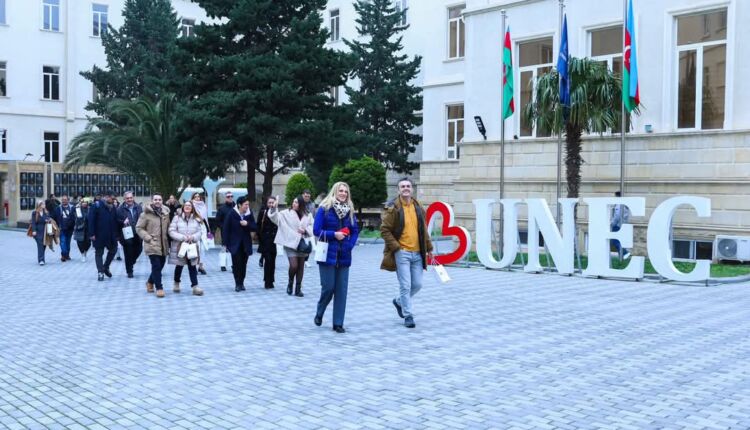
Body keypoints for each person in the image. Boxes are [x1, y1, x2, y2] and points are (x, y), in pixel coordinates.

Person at [380, 177, 433, 329]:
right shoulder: (393, 207)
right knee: (405, 285)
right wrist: (396, 247)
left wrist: (429, 249)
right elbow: (384, 229)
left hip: (417, 253)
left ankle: (398, 301)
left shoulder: (418, 207)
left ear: (412, 189)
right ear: (398, 190)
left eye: (408, 186)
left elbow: (423, 230)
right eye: (402, 186)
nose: (405, 188)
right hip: (401, 252)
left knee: (417, 284)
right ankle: (408, 315)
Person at [313, 182, 359, 333]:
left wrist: (349, 245)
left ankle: (338, 323)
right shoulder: (324, 209)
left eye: (346, 191)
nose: (343, 193)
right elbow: (316, 230)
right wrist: (334, 235)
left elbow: (355, 231)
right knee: (328, 287)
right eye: (341, 190)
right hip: (327, 254)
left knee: (341, 290)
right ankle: (320, 311)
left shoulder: (350, 210)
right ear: (335, 191)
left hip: (344, 255)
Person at [269, 195, 313, 297]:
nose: (294, 204)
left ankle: (298, 289)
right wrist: (274, 207)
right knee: (294, 266)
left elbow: (311, 226)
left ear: (301, 204)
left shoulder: (307, 214)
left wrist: (305, 230)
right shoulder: (286, 213)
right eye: (293, 201)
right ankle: (290, 283)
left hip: (302, 244)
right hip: (290, 243)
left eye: (296, 202)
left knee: (301, 266)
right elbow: (275, 218)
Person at [136, 193, 171, 298]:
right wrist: (148, 238)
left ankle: (150, 282)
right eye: (155, 199)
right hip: (152, 243)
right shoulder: (145, 214)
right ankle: (159, 288)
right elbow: (138, 228)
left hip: (163, 244)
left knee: (161, 265)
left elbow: (168, 227)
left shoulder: (166, 213)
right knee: (156, 265)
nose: (157, 201)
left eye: (159, 199)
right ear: (152, 201)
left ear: (162, 201)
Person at [168, 200, 205, 296]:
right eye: (186, 205)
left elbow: (200, 232)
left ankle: (195, 286)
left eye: (190, 205)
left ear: (192, 208)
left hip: (191, 245)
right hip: (180, 245)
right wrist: (183, 237)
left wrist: (193, 237)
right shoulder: (177, 218)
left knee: (192, 265)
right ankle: (176, 283)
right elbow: (171, 231)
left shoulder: (196, 219)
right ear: (183, 207)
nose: (187, 207)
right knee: (179, 265)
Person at [222, 196, 257, 292]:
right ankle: (237, 283)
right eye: (245, 204)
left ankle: (242, 282)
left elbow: (255, 226)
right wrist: (225, 244)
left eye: (248, 204)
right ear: (239, 205)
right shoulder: (232, 214)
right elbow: (226, 229)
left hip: (246, 244)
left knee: (243, 264)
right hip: (234, 244)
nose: (247, 206)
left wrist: (247, 224)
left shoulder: (249, 214)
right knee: (236, 264)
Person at [88, 194, 118, 281]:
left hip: (111, 235)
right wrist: (91, 234)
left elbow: (115, 220)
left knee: (114, 250)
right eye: (111, 198)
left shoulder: (113, 207)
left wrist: (117, 234)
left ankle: (105, 267)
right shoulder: (96, 206)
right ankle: (100, 272)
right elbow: (91, 220)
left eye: (113, 198)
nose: (112, 200)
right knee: (99, 253)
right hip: (98, 235)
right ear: (105, 197)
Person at [116, 191, 143, 278]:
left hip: (138, 233)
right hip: (126, 234)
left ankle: (131, 262)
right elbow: (116, 221)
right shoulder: (120, 209)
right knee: (128, 252)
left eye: (131, 198)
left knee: (139, 249)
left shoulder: (138, 207)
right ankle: (129, 271)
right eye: (127, 198)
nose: (129, 199)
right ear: (124, 199)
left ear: (133, 198)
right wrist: (122, 222)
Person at [257, 196, 279, 289]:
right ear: (266, 203)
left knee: (273, 261)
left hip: (274, 240)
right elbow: (258, 225)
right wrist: (260, 238)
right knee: (268, 260)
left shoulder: (277, 212)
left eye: (272, 203)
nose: (271, 204)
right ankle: (267, 281)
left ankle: (271, 280)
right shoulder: (263, 212)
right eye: (269, 202)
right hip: (265, 240)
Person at [214, 191, 235, 271]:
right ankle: (223, 265)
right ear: (225, 198)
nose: (230, 198)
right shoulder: (222, 208)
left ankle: (233, 265)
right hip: (225, 231)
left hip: (234, 231)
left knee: (233, 248)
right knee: (224, 247)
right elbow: (217, 220)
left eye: (231, 196)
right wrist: (223, 227)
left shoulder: (236, 207)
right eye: (228, 196)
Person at [190, 192, 210, 275]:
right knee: (195, 248)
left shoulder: (203, 205)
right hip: (194, 229)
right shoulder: (191, 205)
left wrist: (208, 229)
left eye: (198, 196)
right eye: (195, 197)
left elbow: (205, 219)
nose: (197, 198)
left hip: (203, 228)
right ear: (193, 198)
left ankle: (201, 266)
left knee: (202, 249)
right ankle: (194, 266)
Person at [53, 195, 76, 262]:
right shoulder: (58, 208)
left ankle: (67, 255)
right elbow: (53, 216)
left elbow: (75, 217)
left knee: (68, 242)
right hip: (61, 228)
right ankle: (64, 255)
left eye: (65, 200)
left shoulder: (72, 208)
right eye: (63, 199)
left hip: (70, 228)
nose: (64, 201)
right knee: (62, 242)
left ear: (68, 200)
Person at [611, 191, 632, 259]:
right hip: (623, 225)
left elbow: (617, 216)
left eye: (615, 196)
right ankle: (622, 255)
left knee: (614, 240)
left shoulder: (619, 205)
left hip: (617, 225)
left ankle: (625, 253)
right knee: (619, 240)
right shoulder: (624, 205)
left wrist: (612, 224)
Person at [30, 201, 52, 265]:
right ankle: (41, 260)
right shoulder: (35, 213)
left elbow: (48, 219)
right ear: (39, 205)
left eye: (44, 204)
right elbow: (33, 222)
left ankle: (41, 257)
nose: (44, 205)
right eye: (43, 204)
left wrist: (47, 220)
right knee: (40, 245)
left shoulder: (46, 212)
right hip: (37, 231)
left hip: (45, 231)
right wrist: (34, 231)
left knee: (44, 245)